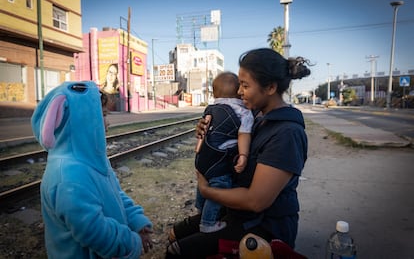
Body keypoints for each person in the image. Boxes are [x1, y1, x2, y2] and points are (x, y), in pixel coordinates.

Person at [166, 48, 311, 258]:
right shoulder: (256, 117)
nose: (239, 92)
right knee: (174, 234)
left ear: (270, 87)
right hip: (238, 212)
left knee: (177, 251)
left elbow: (256, 201)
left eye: (245, 85)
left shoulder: (286, 134)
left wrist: (206, 191)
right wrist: (209, 132)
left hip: (265, 226)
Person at [31, 81, 153, 259]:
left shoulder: (91, 160)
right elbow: (94, 231)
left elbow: (116, 194)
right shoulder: (68, 176)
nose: (107, 123)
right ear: (83, 119)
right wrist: (133, 242)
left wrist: (137, 221)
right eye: (102, 115)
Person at [194, 72, 254, 233]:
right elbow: (244, 134)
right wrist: (243, 155)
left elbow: (205, 132)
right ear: (238, 92)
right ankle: (207, 223)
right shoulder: (244, 112)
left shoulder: (211, 108)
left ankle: (200, 208)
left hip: (203, 158)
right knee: (220, 187)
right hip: (220, 161)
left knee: (204, 181)